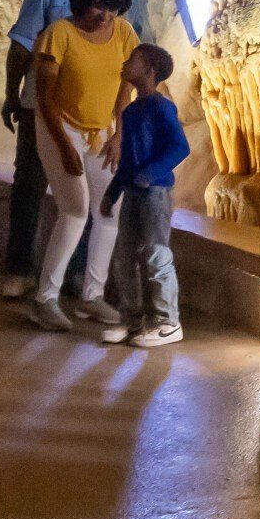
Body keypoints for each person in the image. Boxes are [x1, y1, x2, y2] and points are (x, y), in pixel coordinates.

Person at [1, 0, 130, 298]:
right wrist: (12, 93)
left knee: (88, 200)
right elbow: (22, 46)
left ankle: (75, 275)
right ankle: (20, 269)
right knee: (29, 186)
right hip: (42, 108)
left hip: (95, 121)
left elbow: (133, 60)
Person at [28, 0, 139, 333]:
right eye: (98, 6)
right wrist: (64, 146)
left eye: (113, 8)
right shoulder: (59, 34)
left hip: (102, 132)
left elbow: (126, 85)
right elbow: (44, 98)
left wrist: (118, 133)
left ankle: (92, 295)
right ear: (81, 3)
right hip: (60, 127)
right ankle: (45, 298)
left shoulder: (124, 33)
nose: (105, 15)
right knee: (75, 209)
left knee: (109, 208)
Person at [98, 43, 186, 347]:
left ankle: (168, 322)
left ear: (149, 71)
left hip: (155, 192)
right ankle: (132, 320)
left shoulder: (162, 108)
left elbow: (180, 146)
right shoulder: (131, 111)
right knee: (124, 257)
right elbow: (127, 160)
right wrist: (112, 193)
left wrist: (150, 173)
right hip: (134, 192)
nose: (125, 63)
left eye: (132, 60)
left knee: (156, 254)